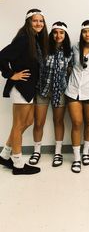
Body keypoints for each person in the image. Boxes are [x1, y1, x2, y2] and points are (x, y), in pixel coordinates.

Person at [0, 9, 48, 175]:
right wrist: (11, 74)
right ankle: (18, 164)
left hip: (28, 89)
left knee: (26, 123)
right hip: (20, 88)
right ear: (28, 22)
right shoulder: (23, 39)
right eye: (35, 20)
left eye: (41, 21)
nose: (38, 24)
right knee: (19, 124)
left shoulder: (34, 40)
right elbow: (2, 56)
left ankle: (5, 154)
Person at [29, 21, 72, 167]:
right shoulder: (43, 49)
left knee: (58, 122)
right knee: (38, 122)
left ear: (65, 35)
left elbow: (71, 70)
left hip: (59, 92)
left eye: (61, 32)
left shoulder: (69, 52)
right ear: (51, 34)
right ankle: (36, 151)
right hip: (42, 90)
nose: (58, 35)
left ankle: (58, 152)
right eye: (55, 32)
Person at [65, 20, 89, 173]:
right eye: (85, 31)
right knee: (77, 123)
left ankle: (86, 151)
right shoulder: (74, 48)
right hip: (73, 91)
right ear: (82, 33)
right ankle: (77, 157)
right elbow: (68, 66)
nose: (87, 34)